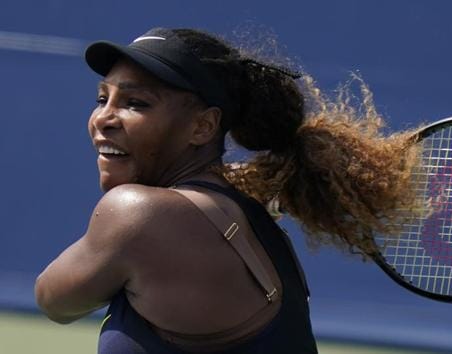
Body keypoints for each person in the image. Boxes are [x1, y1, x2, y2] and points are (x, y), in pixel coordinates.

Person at [34, 27, 417, 353]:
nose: (103, 118)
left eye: (136, 103)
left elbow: (54, 300)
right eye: (103, 99)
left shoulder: (138, 214)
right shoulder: (243, 210)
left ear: (203, 127)